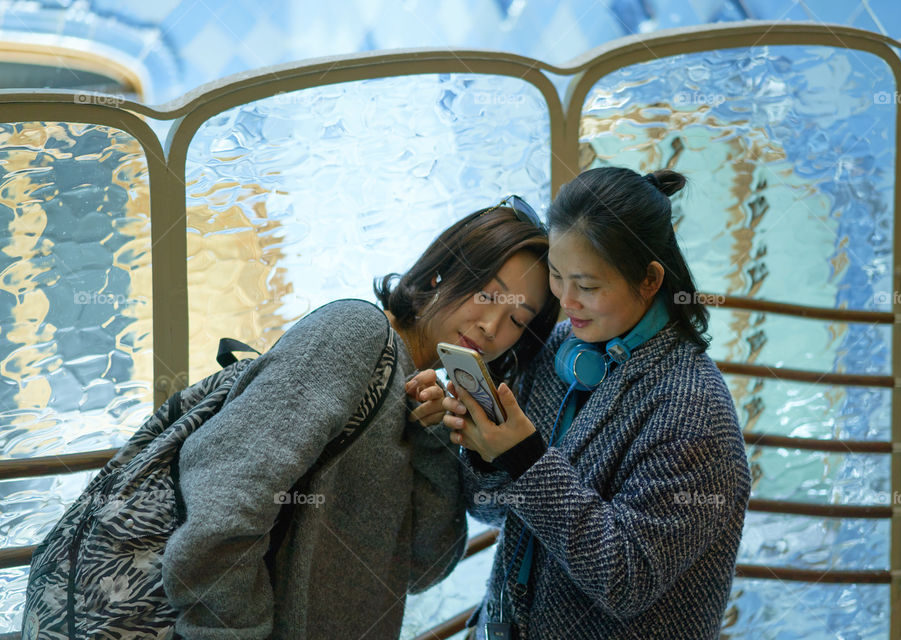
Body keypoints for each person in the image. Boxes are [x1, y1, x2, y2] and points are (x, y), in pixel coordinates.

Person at [160, 199, 559, 640]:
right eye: (487, 294)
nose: (490, 326)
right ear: (440, 272)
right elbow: (222, 507)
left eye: (517, 320)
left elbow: (424, 569)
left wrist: (433, 438)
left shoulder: (425, 401)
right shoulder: (357, 336)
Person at [429, 167, 751, 639]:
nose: (566, 300)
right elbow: (494, 511)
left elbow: (625, 580)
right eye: (557, 277)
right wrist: (484, 447)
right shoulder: (565, 346)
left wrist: (525, 456)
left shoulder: (694, 414)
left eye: (588, 286)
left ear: (649, 281)